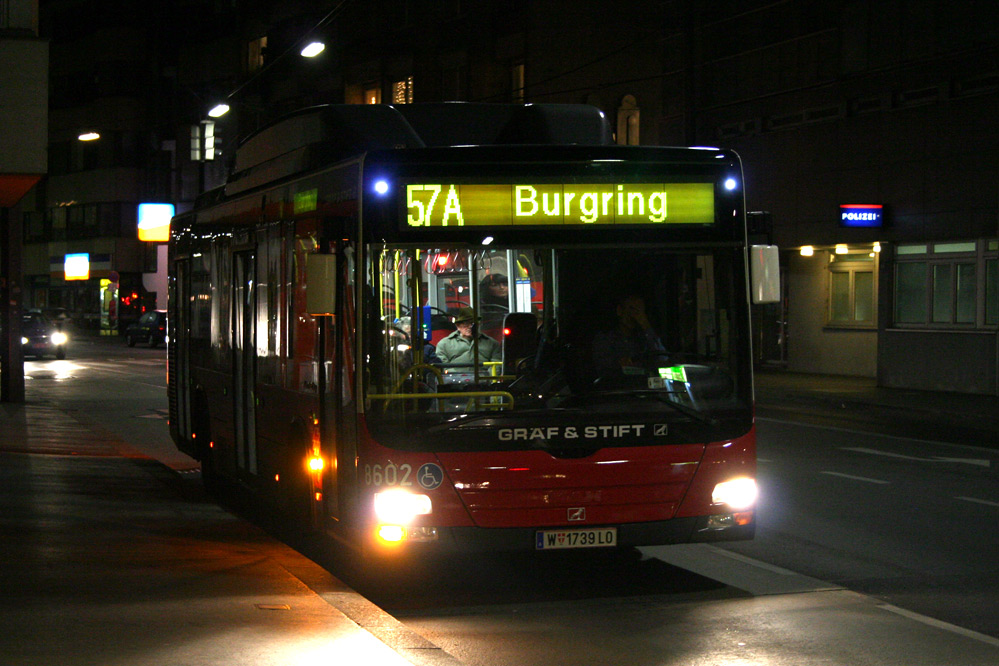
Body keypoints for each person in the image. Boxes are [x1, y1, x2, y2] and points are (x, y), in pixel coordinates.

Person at [592, 294, 667, 374]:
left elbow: (662, 358)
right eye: (631, 309)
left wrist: (646, 327)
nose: (634, 315)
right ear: (620, 310)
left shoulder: (644, 338)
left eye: (639, 311)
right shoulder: (606, 338)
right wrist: (619, 364)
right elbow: (601, 368)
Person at [436, 307, 501, 367]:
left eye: (473, 324)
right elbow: (443, 366)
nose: (470, 327)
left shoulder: (492, 343)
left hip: (483, 377)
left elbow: (497, 364)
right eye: (466, 324)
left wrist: (488, 378)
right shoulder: (444, 344)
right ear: (458, 326)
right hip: (454, 377)